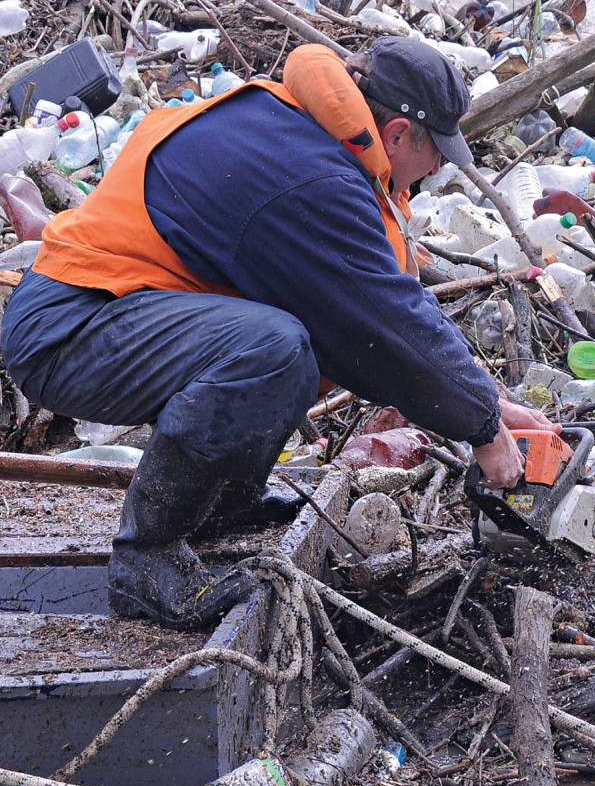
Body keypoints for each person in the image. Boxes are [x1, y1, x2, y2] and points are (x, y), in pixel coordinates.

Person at [1, 36, 557, 631]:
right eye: (438, 153)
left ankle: (221, 504)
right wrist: (482, 429)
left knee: (300, 342)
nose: (438, 169)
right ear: (396, 135)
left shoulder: (291, 125)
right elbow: (386, 322)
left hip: (113, 308)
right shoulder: (309, 178)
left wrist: (492, 408)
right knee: (272, 347)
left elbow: (369, 325)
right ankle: (147, 562)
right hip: (68, 329)